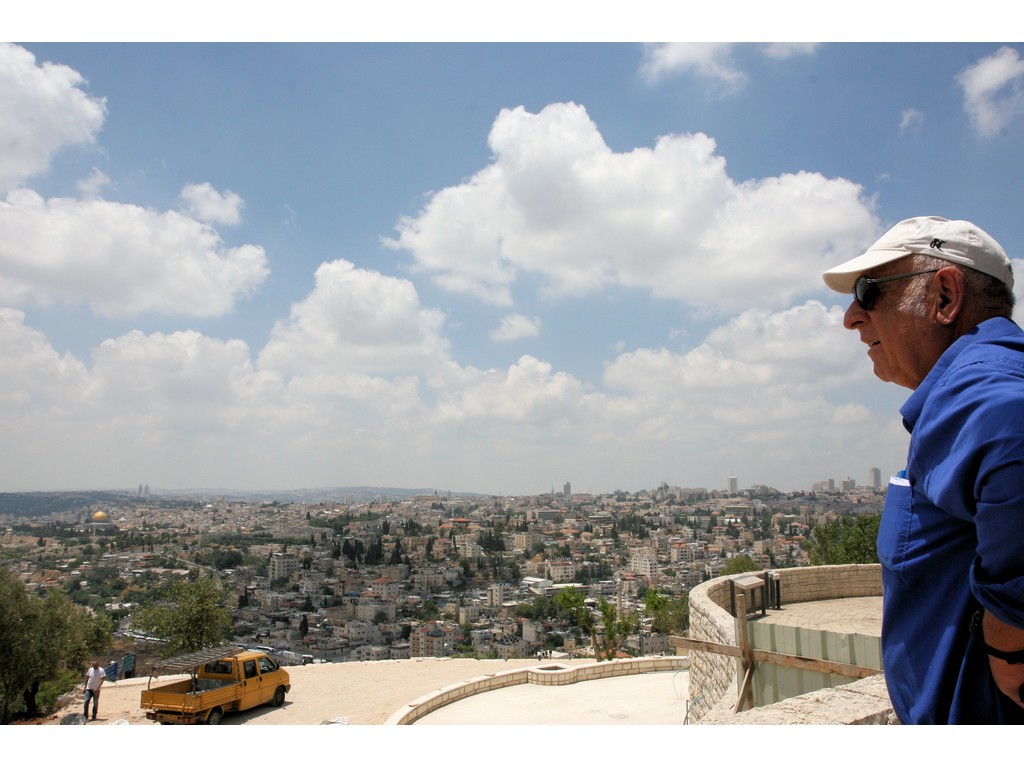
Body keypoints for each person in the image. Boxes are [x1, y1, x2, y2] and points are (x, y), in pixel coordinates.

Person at [822, 216, 1024, 724]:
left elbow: (1012, 424)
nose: (850, 317)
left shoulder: (976, 383)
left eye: (868, 292)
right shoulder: (975, 380)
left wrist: (1009, 637)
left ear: (945, 296)